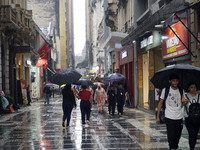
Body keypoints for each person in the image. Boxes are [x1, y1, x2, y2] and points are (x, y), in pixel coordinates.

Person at [156, 74, 184, 150]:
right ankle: (172, 148)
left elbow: (182, 103)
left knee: (177, 136)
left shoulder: (181, 90)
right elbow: (160, 102)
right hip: (169, 116)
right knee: (171, 136)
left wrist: (184, 102)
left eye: (177, 80)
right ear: (170, 81)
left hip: (179, 116)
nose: (175, 82)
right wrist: (158, 117)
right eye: (173, 80)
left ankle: (174, 147)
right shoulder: (166, 90)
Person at [183, 82, 200, 150]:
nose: (193, 89)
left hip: (197, 119)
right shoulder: (185, 96)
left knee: (195, 134)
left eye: (194, 87)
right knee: (191, 133)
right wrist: (184, 103)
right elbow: (182, 105)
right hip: (188, 118)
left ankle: (192, 146)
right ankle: (191, 148)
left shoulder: (199, 96)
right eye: (191, 87)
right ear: (188, 88)